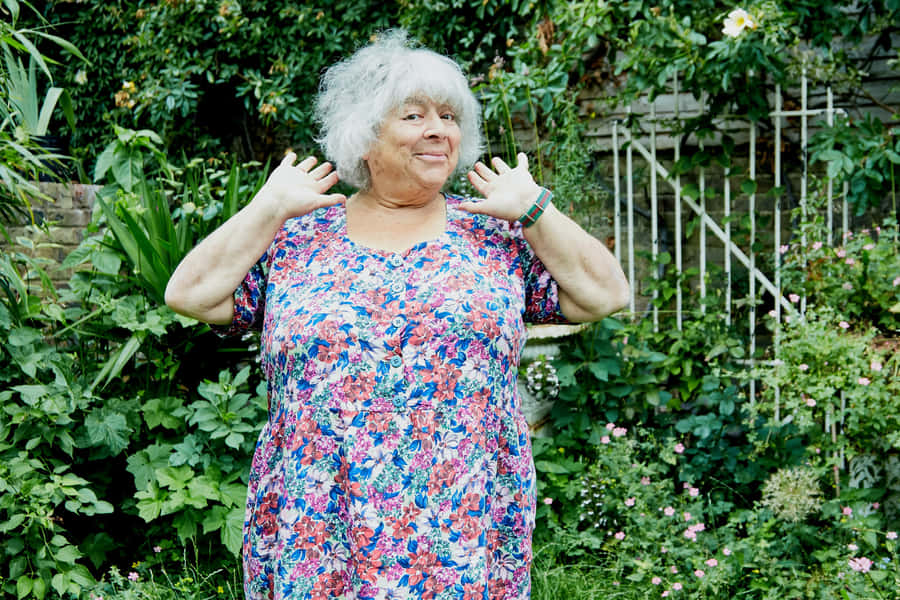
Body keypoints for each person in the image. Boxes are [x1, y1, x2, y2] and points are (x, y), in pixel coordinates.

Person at [165, 30, 628, 600]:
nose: (439, 130)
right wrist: (268, 206)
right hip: (319, 525)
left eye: (449, 116)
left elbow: (604, 294)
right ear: (364, 136)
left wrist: (536, 208)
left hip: (461, 521)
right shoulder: (296, 239)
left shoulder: (496, 233)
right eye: (415, 115)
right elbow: (191, 293)